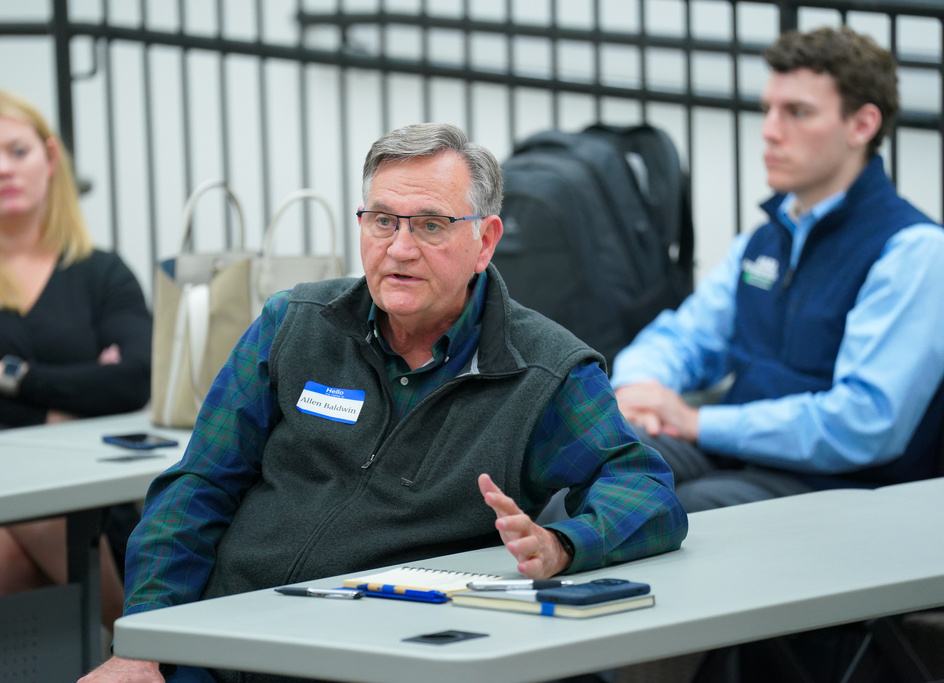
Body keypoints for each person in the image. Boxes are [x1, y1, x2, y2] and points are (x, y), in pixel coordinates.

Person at [81, 122, 688, 682]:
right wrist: (144, 642)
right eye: (382, 221)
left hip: (379, 662)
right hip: (223, 645)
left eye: (430, 225)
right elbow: (197, 485)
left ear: (484, 241)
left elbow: (645, 489)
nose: (399, 248)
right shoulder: (294, 323)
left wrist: (564, 544)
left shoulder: (543, 371)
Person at [610, 26, 944, 513]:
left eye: (797, 112)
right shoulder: (766, 240)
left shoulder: (913, 251)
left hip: (844, 487)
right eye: (768, 109)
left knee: (681, 512)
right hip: (738, 454)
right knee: (598, 467)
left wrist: (698, 422)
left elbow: (864, 423)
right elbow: (686, 337)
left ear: (862, 125)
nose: (769, 130)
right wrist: (636, 389)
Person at [0, 87, 152, 629]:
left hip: (80, 481)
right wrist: (54, 408)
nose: (3, 168)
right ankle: (143, 645)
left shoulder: (102, 272)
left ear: (49, 159)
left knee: (12, 539)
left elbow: (133, 379)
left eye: (18, 151)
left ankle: (133, 648)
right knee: (28, 508)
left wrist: (3, 376)